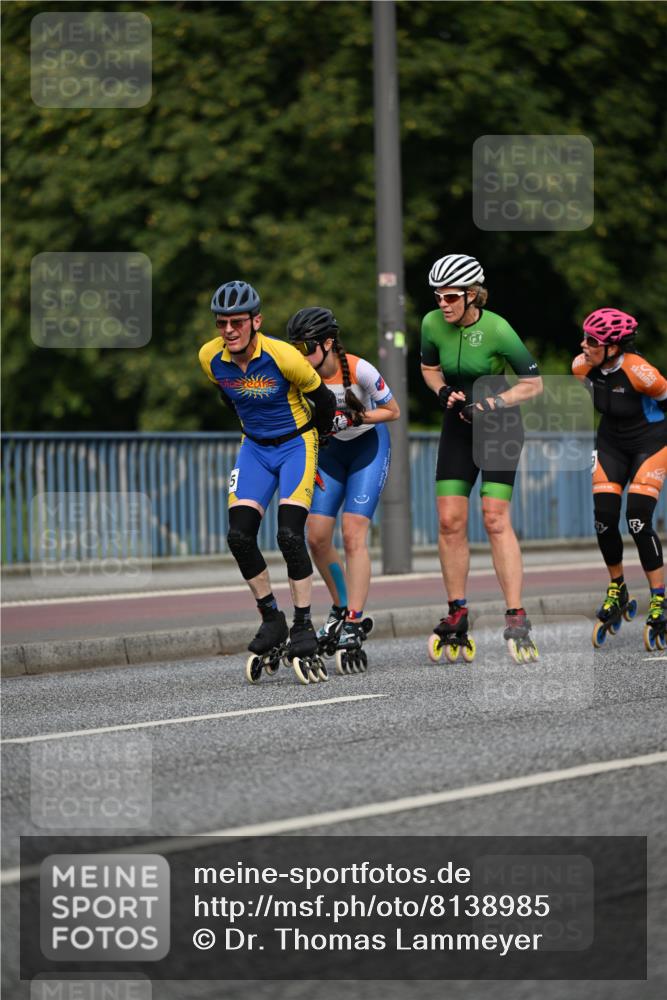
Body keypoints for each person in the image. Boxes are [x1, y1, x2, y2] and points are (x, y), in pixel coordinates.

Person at [199, 281, 336, 684]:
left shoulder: (284, 357)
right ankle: (272, 619)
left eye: (237, 322)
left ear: (255, 321)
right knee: (239, 536)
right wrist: (253, 426)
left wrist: (318, 449)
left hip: (297, 444)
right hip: (255, 449)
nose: (228, 330)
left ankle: (304, 623)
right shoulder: (210, 358)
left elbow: (324, 402)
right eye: (221, 323)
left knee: (290, 535)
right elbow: (228, 395)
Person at [420, 253, 543, 663]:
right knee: (449, 521)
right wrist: (441, 392)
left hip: (499, 427)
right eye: (438, 296)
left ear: (473, 295)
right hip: (458, 425)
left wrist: (491, 404)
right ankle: (457, 611)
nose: (443, 304)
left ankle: (515, 612)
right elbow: (430, 368)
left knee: (493, 518)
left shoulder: (497, 329)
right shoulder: (431, 324)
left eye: (451, 296)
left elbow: (533, 385)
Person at [286, 306, 400, 672]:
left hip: (367, 448)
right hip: (332, 454)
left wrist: (356, 416)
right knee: (317, 536)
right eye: (295, 348)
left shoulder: (360, 368)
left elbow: (394, 411)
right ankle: (340, 606)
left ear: (328, 343)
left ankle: (354, 619)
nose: (300, 355)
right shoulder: (300, 375)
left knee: (353, 534)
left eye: (306, 347)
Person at [572, 308, 667, 650]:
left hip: (651, 443)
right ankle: (618, 587)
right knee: (604, 520)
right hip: (612, 443)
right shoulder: (581, 367)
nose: (584, 345)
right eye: (584, 337)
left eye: (592, 341)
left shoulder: (641, 372)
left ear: (613, 347)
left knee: (638, 519)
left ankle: (659, 598)